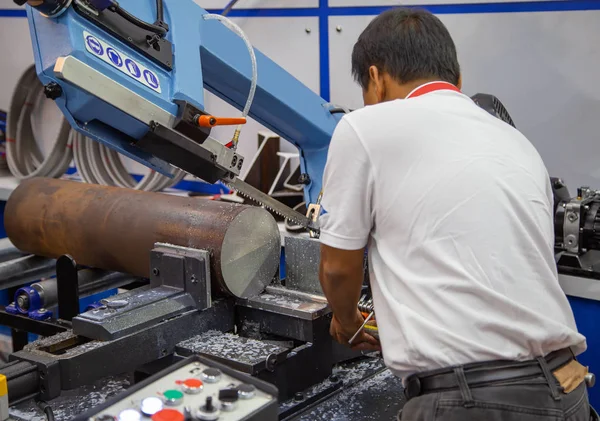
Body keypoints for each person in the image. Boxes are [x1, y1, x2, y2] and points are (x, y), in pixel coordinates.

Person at [317, 7, 591, 421]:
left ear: (375, 78)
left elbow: (338, 269)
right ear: (456, 81)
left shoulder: (364, 126)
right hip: (566, 388)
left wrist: (348, 320)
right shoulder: (518, 143)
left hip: (469, 402)